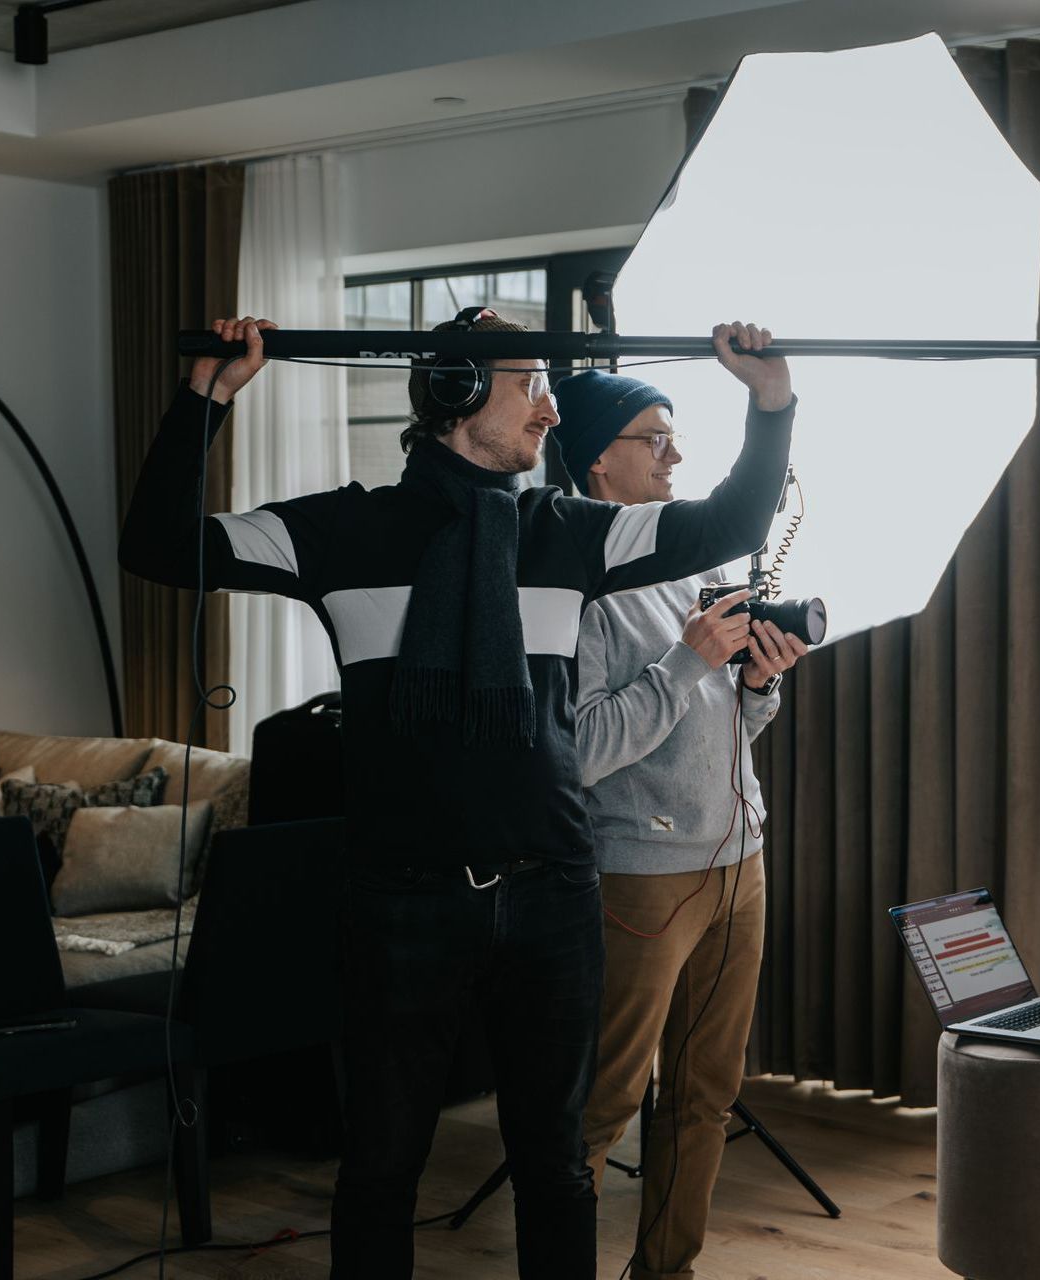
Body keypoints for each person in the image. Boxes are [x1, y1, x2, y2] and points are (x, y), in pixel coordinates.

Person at [118, 307, 794, 1280]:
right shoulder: (340, 531)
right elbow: (154, 542)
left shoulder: (568, 534)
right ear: (456, 392)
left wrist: (770, 402)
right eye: (531, 384)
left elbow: (730, 520)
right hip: (402, 900)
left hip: (554, 894)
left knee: (556, 1167)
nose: (552, 412)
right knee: (383, 1163)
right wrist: (206, 402)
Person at [551, 340, 805, 1280]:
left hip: (741, 864)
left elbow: (712, 721)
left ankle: (667, 1270)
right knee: (603, 1101)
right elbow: (577, 752)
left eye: (674, 437)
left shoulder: (679, 560)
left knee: (706, 1094)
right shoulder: (575, 592)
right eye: (652, 440)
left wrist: (756, 687)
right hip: (641, 881)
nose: (673, 457)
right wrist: (688, 662)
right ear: (595, 463)